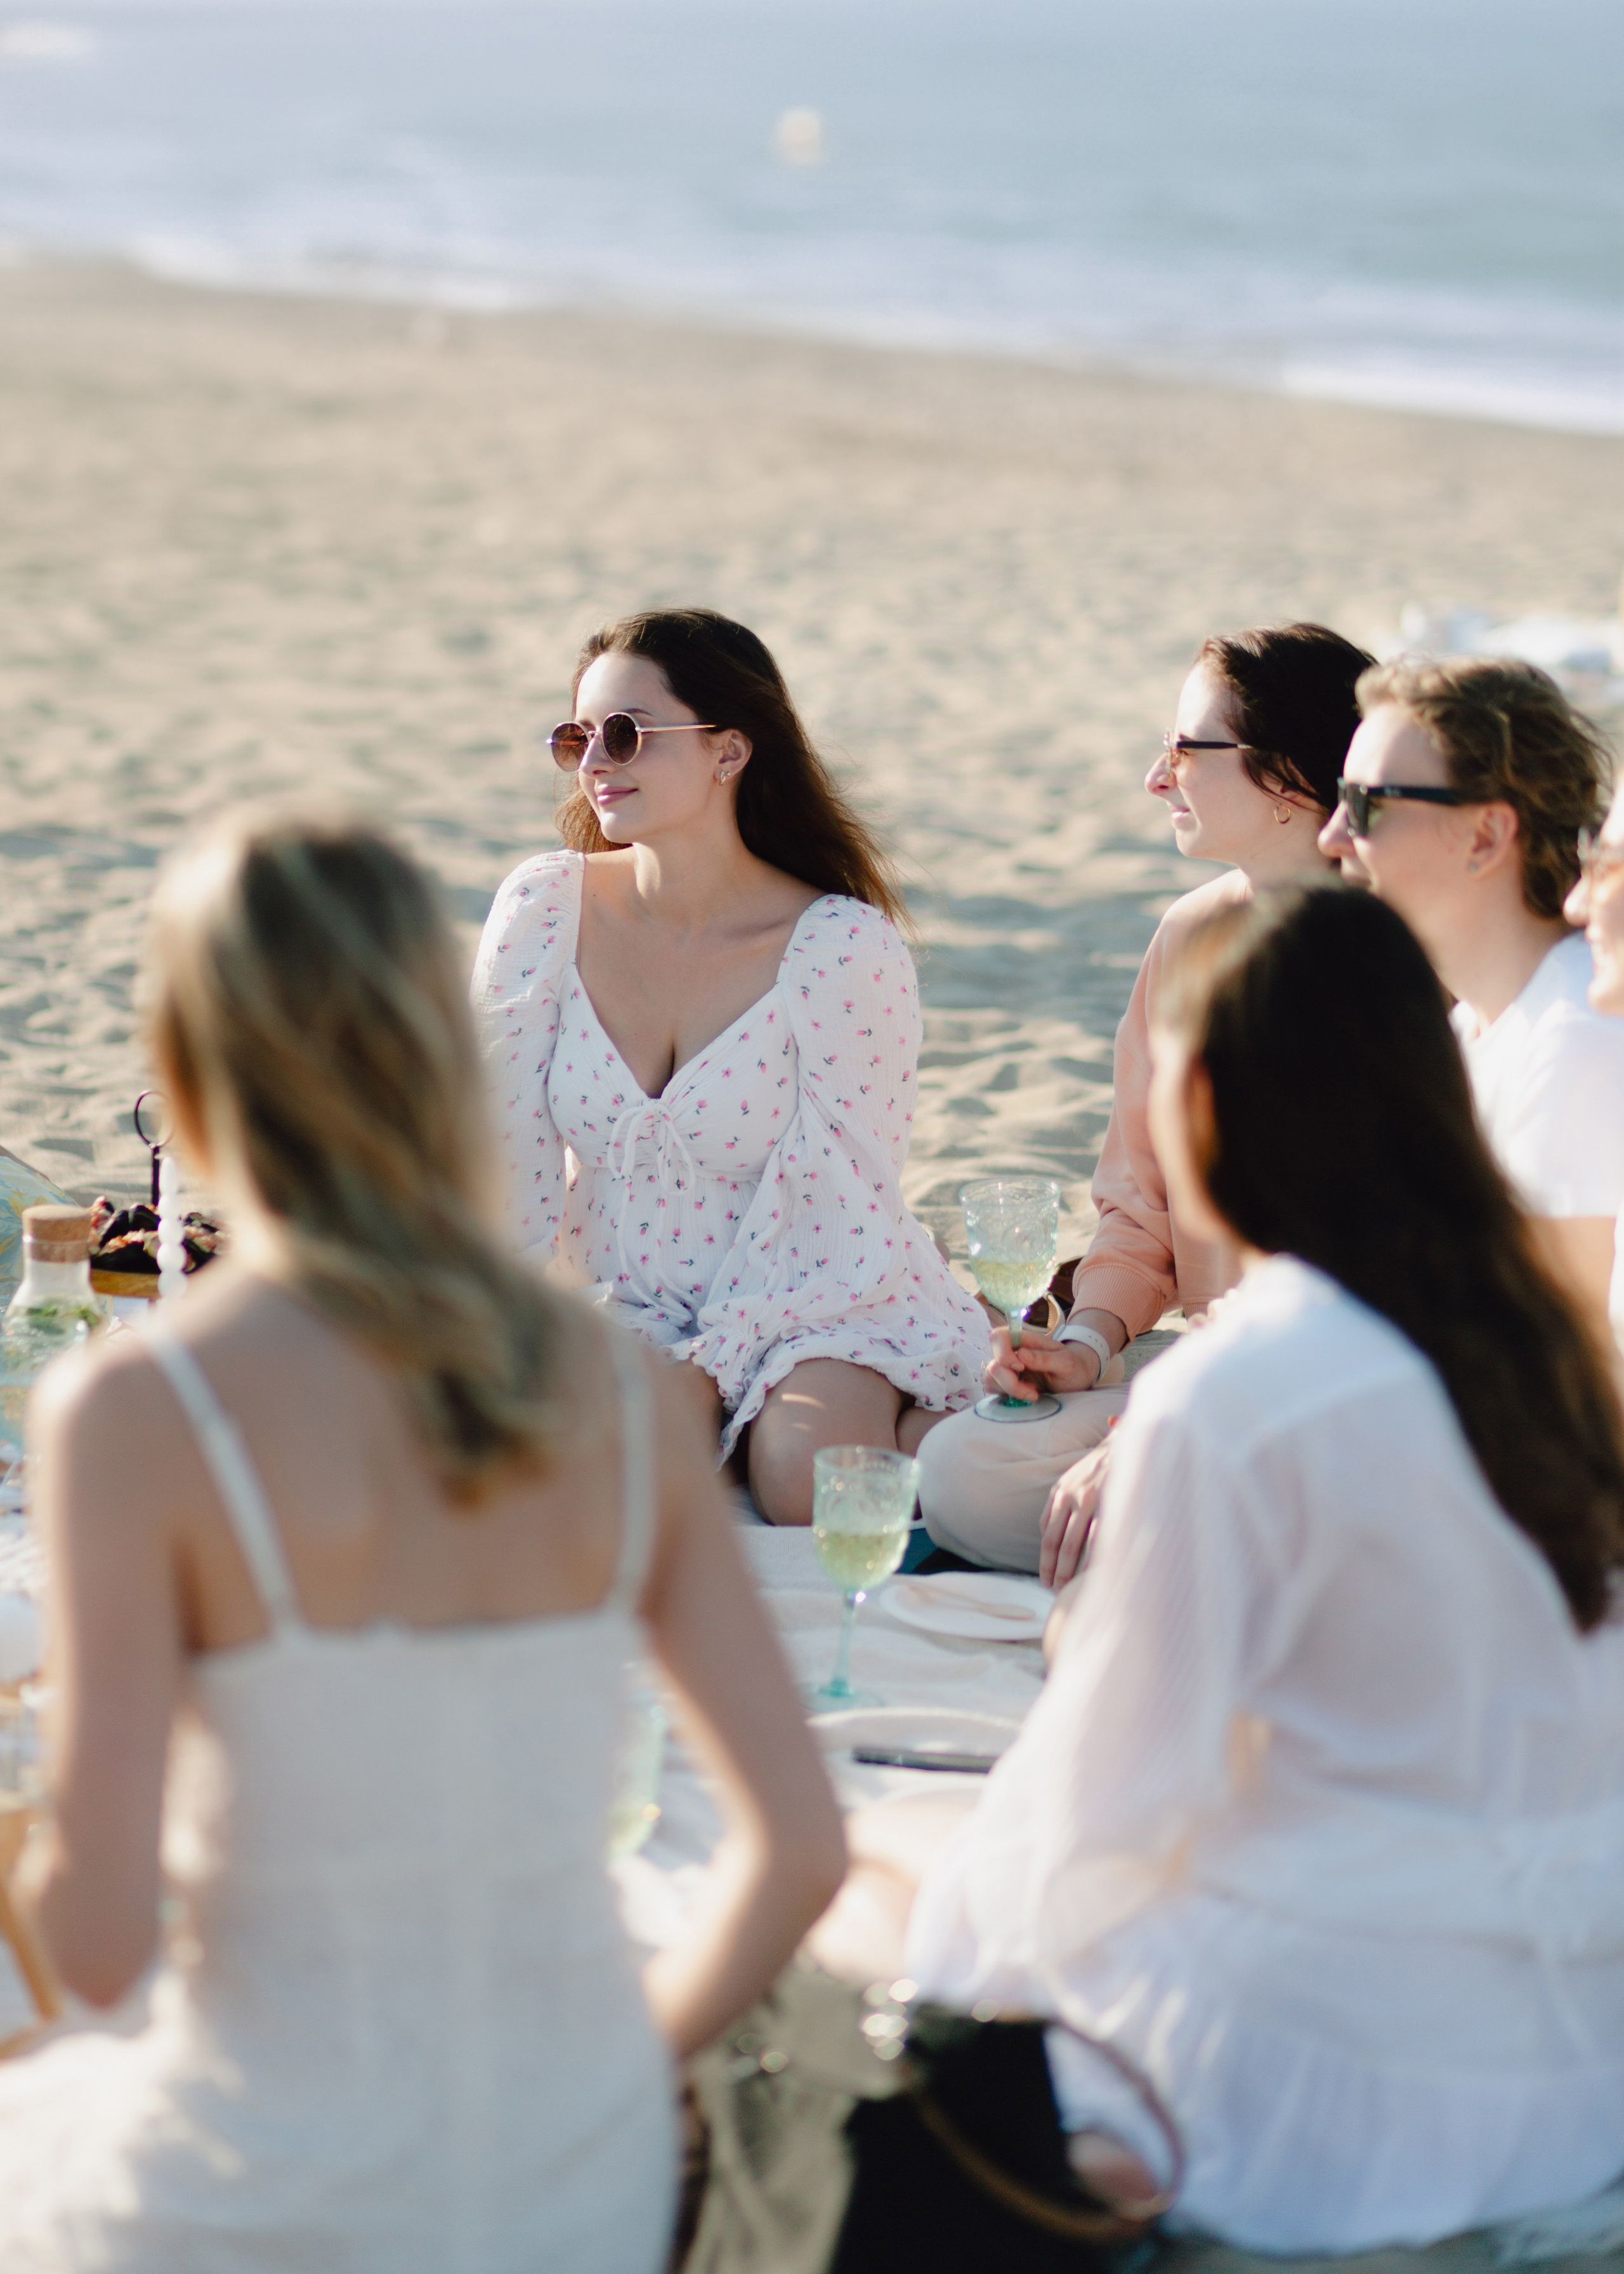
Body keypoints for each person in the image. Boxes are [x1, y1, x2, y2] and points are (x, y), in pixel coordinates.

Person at [0, 814, 844, 2272]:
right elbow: (799, 1849)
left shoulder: (139, 1411)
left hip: (272, 2186)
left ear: (196, 1073)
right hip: (577, 2180)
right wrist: (620, 2069)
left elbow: (97, 1945)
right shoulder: (627, 1387)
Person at [903, 884, 1624, 2254]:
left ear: (1216, 1106)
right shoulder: (1551, 1348)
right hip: (1575, 2044)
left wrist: (943, 1964)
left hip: (1358, 2071)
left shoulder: (1246, 1385)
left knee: (920, 1906)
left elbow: (1103, 1802)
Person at [472, 607, 987, 1526]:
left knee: (806, 1482)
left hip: (810, 1294)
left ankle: (1014, 1428)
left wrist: (711, 1368)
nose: (596, 764)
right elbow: (501, 1156)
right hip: (613, 1302)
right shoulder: (546, 908)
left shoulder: (838, 947)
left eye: (627, 735)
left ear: (730, 752)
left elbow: (842, 1201)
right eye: (577, 738)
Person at [917, 622, 1373, 1574]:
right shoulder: (1188, 938)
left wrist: (1151, 1425)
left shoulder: (1399, 965)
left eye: (1184, 750)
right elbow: (1141, 1214)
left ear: (1290, 777)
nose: (1157, 779)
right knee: (962, 1469)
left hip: (1351, 1378)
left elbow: (1360, 1273)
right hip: (1213, 1369)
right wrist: (1086, 1343)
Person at [1321, 655, 1624, 1346]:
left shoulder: (1575, 1037)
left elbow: (1568, 1371)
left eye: (1366, 803)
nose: (1332, 835)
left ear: (1485, 836)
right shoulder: (1479, 1024)